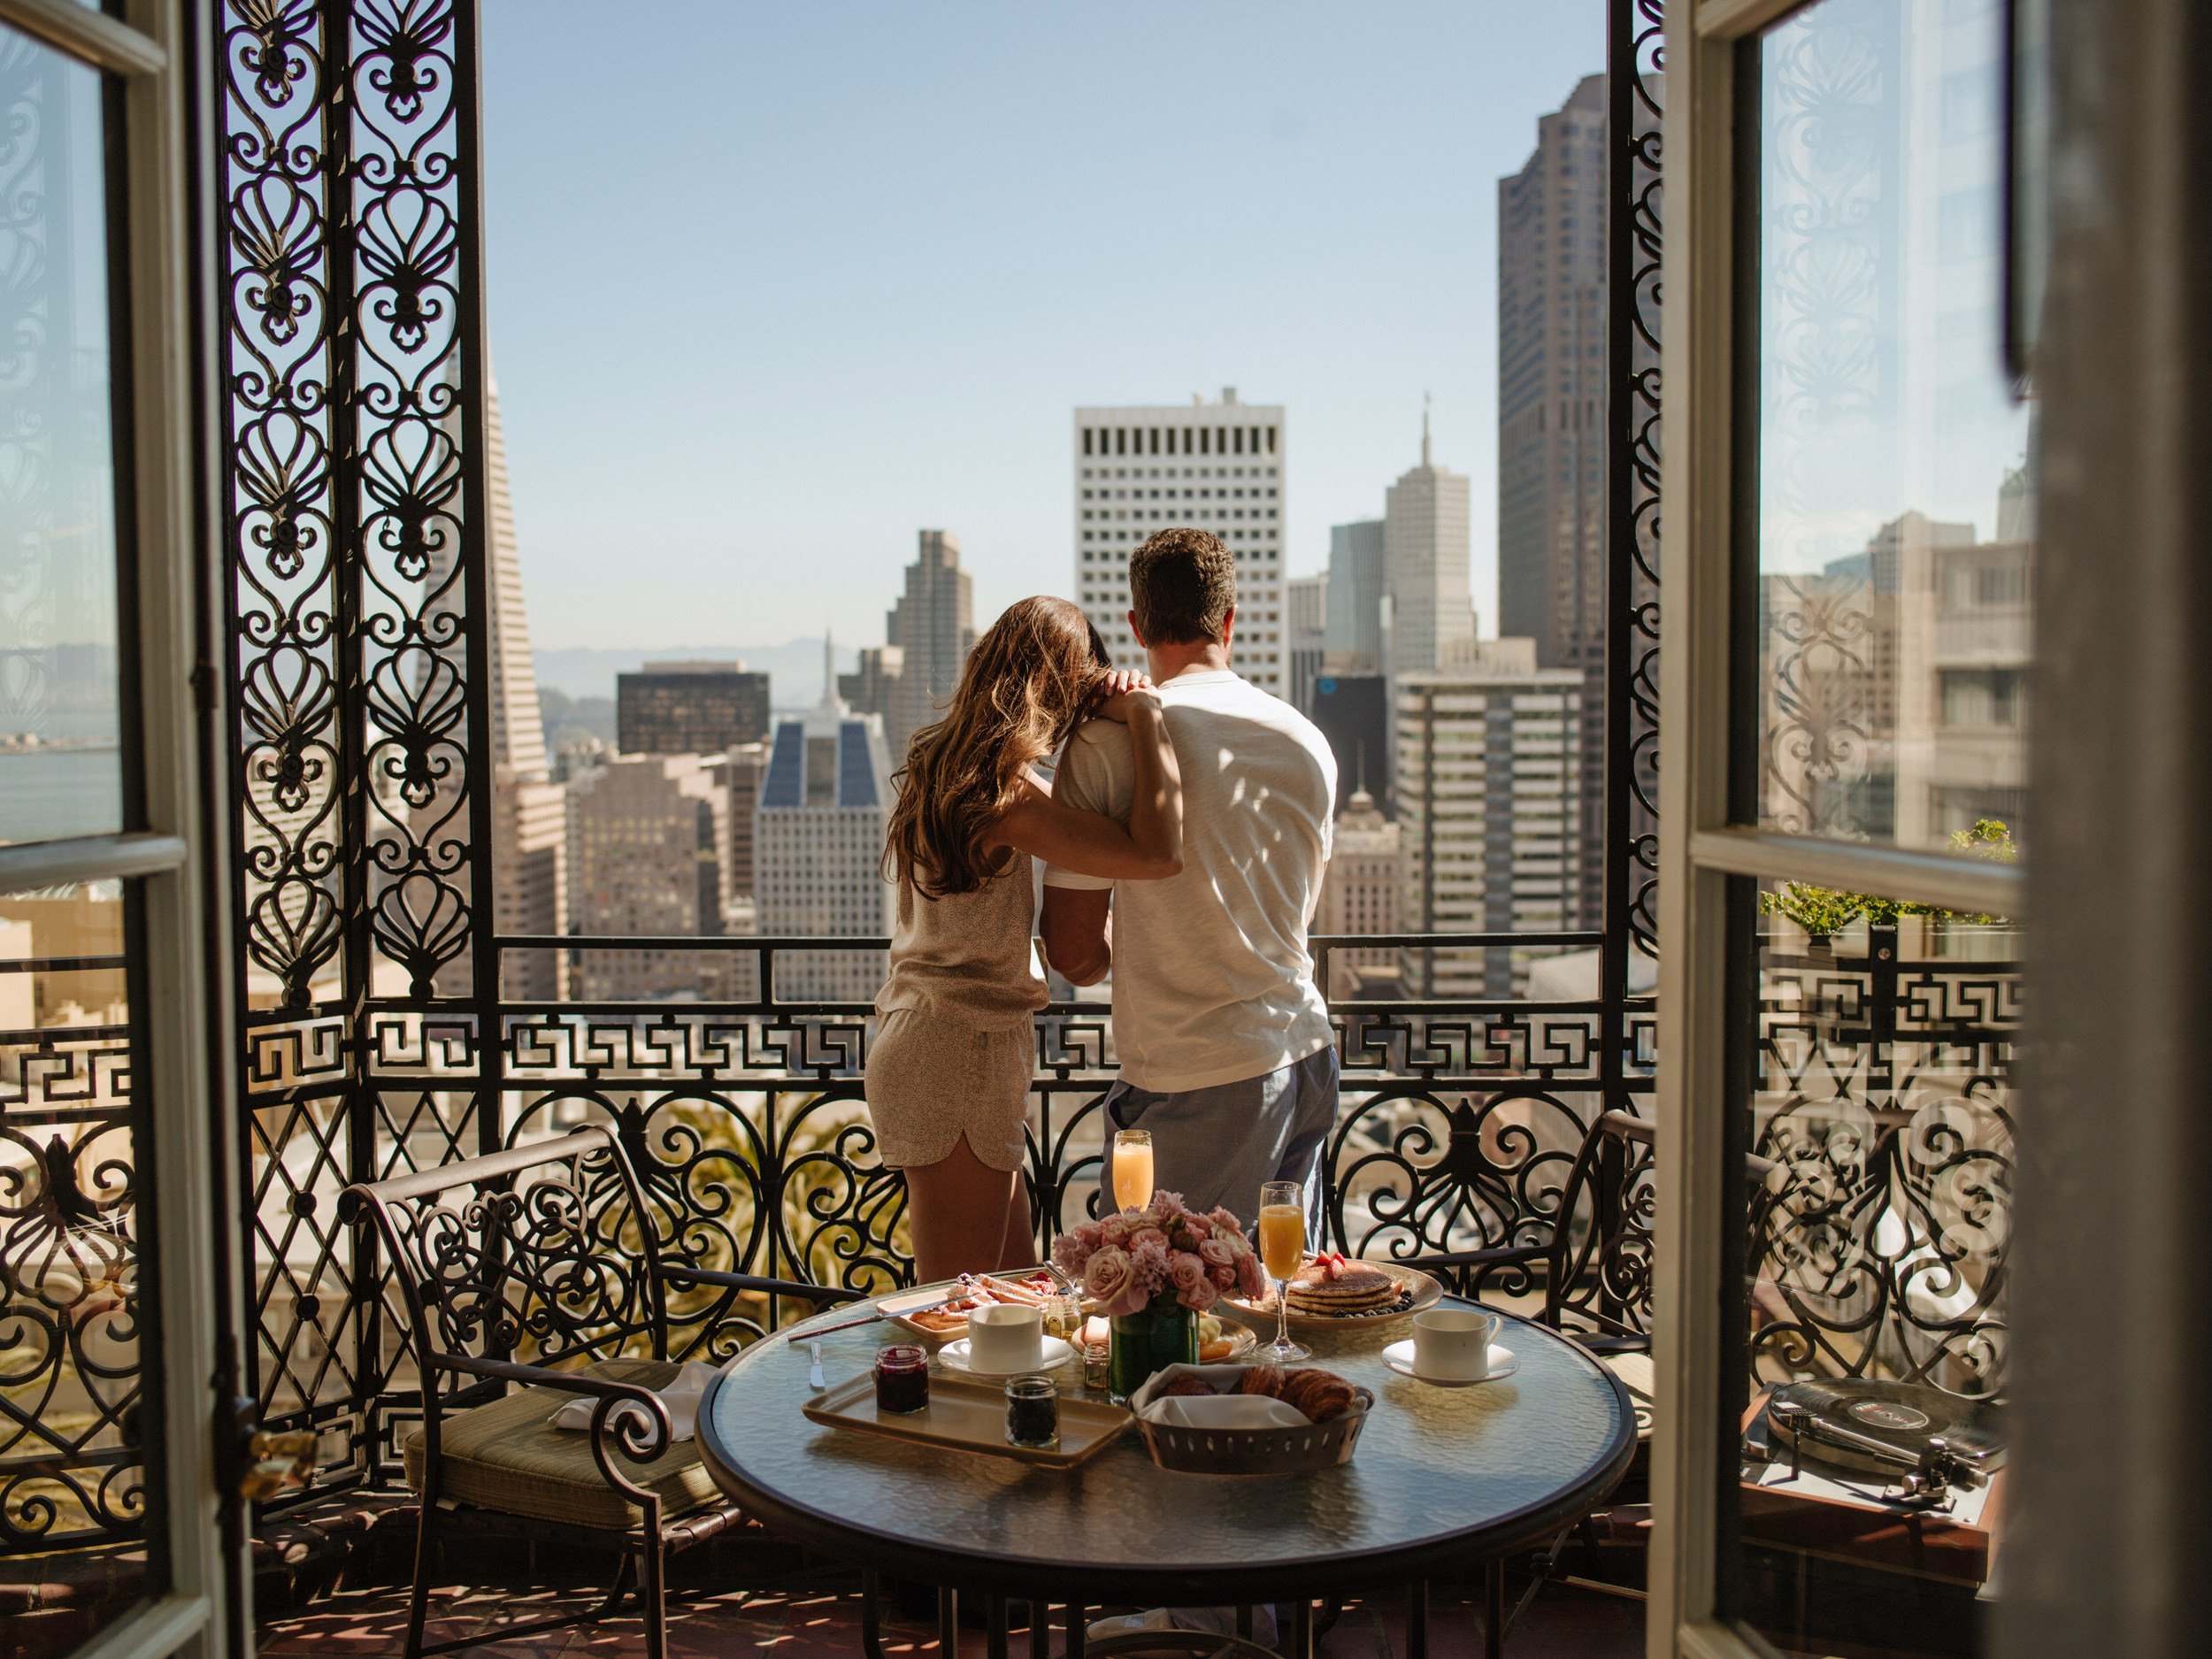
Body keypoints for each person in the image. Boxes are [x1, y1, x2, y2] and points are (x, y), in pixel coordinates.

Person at [869, 595, 1184, 1284]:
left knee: (1014, 1293)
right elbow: (1156, 853)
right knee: (956, 1306)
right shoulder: (1004, 796)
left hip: (938, 1036)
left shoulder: (940, 764)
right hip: (958, 1046)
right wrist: (1143, 715)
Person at [1041, 527, 1339, 1229]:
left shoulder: (1109, 739)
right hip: (1306, 1056)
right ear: (1230, 618)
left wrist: (1143, 940)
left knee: (1171, 1323)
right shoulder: (1305, 739)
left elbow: (1076, 955)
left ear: (1137, 625)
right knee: (1279, 1314)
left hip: (1197, 1076)